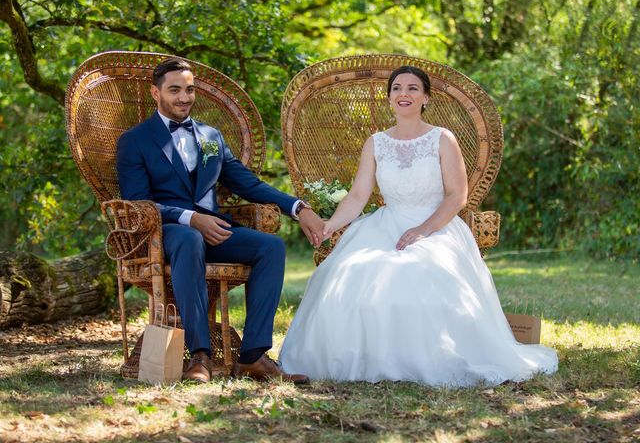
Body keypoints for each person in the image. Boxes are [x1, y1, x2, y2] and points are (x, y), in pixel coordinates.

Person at [279, 66, 558, 386]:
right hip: (385, 224)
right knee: (351, 269)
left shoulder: (442, 138)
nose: (404, 94)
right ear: (389, 98)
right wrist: (330, 226)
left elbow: (457, 197)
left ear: (425, 97)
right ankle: (365, 360)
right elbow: (358, 196)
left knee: (418, 270)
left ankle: (430, 359)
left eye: (413, 88)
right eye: (397, 88)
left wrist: (424, 230)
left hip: (437, 225)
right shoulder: (376, 143)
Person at [117, 58, 323, 384]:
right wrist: (191, 218)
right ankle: (200, 355)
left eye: (189, 89)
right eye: (175, 90)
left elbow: (249, 184)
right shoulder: (135, 141)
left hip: (214, 231)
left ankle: (253, 357)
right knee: (189, 238)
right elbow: (139, 201)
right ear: (156, 93)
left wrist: (299, 208)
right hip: (166, 235)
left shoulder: (211, 136)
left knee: (270, 247)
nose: (184, 97)